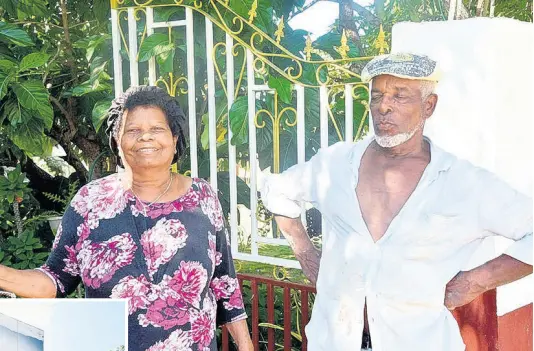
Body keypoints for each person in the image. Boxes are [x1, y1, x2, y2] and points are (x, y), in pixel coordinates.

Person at [260, 52, 532, 351]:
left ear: (429, 106)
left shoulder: (463, 183)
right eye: (377, 96)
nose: (384, 106)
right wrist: (308, 257)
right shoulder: (335, 165)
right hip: (333, 341)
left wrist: (476, 281)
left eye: (400, 96)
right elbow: (278, 190)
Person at [0, 86, 253, 351]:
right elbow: (55, 280)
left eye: (157, 129)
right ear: (116, 141)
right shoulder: (90, 201)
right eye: (132, 130)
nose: (145, 137)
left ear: (175, 137)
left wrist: (246, 346)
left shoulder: (203, 198)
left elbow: (225, 284)